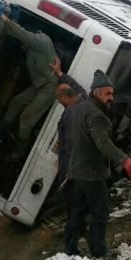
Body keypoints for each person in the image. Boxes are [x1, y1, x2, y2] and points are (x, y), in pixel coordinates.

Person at [64, 70, 131, 258]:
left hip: (76, 170)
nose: (111, 98)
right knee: (100, 213)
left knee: (78, 212)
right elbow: (103, 143)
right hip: (92, 173)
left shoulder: (80, 107)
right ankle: (98, 251)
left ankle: (70, 248)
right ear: (96, 92)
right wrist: (124, 159)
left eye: (112, 93)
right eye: (108, 94)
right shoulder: (97, 115)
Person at [0, 13, 58, 162]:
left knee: (26, 119)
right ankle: (2, 128)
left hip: (49, 87)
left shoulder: (41, 41)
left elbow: (22, 34)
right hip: (39, 85)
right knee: (16, 102)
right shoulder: (33, 49)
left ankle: (20, 151)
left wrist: (4, 18)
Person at [50, 57, 87, 219]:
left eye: (59, 101)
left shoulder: (70, 117)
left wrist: (69, 170)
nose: (59, 103)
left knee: (72, 198)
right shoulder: (84, 99)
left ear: (65, 98)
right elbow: (75, 86)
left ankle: (77, 226)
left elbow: (74, 145)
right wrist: (59, 73)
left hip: (73, 166)